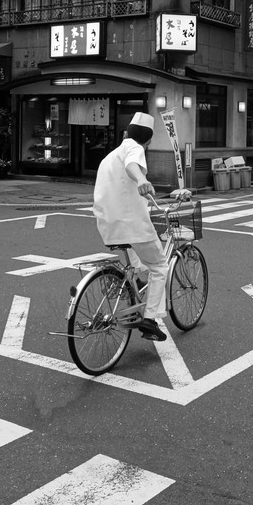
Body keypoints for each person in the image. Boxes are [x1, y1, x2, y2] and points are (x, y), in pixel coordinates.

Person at [93, 112, 168, 342]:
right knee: (159, 266)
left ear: (126, 133)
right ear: (148, 142)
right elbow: (132, 166)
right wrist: (142, 179)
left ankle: (135, 290)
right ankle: (150, 320)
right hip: (131, 224)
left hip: (107, 224)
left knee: (139, 263)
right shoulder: (134, 149)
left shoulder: (109, 156)